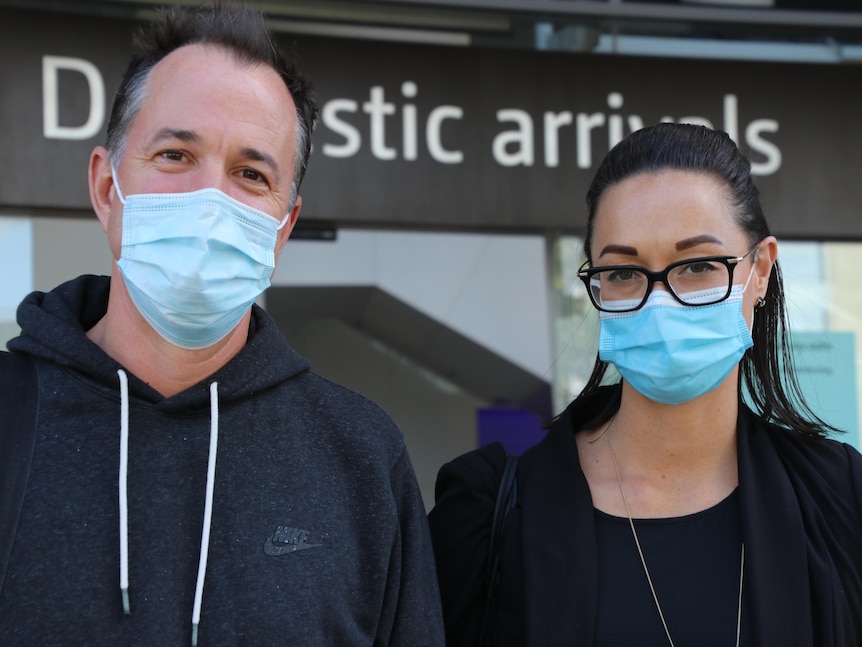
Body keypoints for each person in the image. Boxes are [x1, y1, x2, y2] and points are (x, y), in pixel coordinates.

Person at [0, 4, 443, 645]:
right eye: (175, 154)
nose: (211, 201)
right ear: (105, 187)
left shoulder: (362, 458)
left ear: (282, 228)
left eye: (250, 174)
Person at [428, 123, 862, 646]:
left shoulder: (843, 499)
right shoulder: (488, 511)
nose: (660, 302)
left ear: (761, 269)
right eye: (623, 272)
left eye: (698, 265)